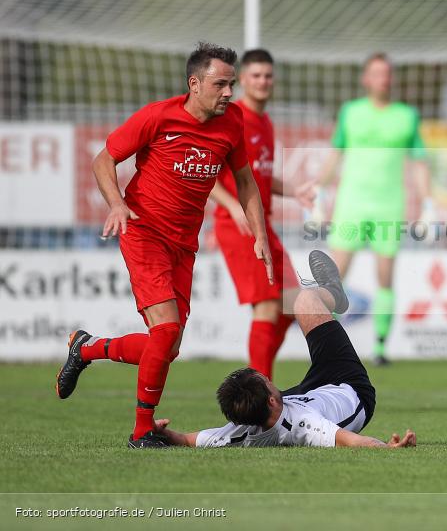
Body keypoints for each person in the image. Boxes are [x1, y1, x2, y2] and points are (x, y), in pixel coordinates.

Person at [55, 42, 273, 449]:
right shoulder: (159, 116)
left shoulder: (231, 126)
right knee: (167, 329)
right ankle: (142, 431)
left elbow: (245, 181)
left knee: (166, 347)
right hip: (144, 232)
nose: (229, 92)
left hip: (183, 244)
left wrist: (259, 233)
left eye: (231, 84)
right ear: (195, 83)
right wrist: (118, 204)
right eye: (220, 84)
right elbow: (104, 160)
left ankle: (86, 349)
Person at [155, 251, 416, 450]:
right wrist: (390, 447)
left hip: (310, 393)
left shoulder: (244, 430)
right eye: (266, 381)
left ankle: (331, 295)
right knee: (305, 301)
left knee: (299, 302)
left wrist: (161, 433)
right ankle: (335, 293)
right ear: (271, 399)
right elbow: (354, 442)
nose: (269, 378)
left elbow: (190, 439)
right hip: (350, 388)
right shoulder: (305, 424)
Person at [302, 53, 431, 366]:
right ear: (366, 79)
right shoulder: (351, 112)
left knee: (385, 277)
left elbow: (418, 162)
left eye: (387, 74)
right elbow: (336, 155)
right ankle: (327, 349)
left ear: (392, 78)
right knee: (333, 277)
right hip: (351, 204)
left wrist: (426, 203)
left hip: (389, 205)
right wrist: (317, 185)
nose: (382, 79)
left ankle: (381, 348)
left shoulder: (407, 116)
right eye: (376, 73)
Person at [209, 48, 307, 381]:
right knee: (267, 305)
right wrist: (231, 204)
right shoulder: (230, 117)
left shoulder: (265, 122)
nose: (263, 81)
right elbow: (206, 172)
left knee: (293, 304)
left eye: (268, 75)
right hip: (238, 226)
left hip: (263, 225)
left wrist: (296, 191)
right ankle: (260, 398)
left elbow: (258, 176)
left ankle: (258, 382)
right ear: (243, 81)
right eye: (255, 76)